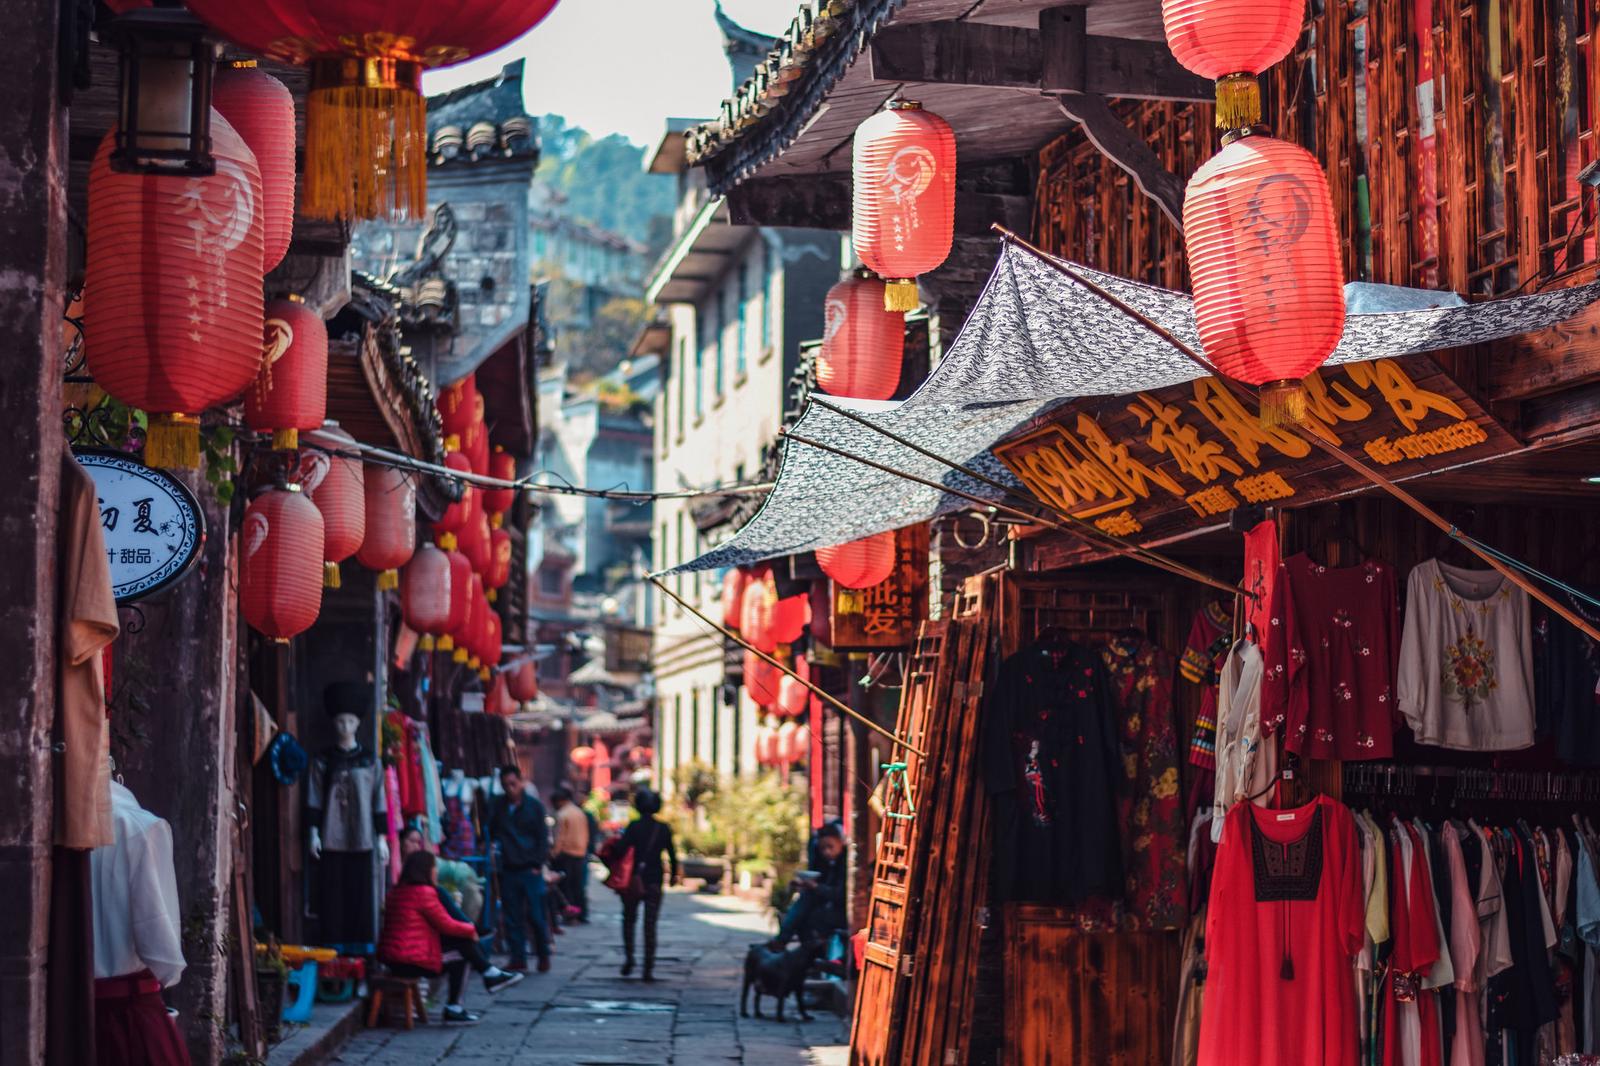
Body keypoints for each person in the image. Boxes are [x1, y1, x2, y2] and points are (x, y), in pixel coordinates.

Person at [378, 851, 520, 1025]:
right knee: (464, 953)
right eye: (434, 868)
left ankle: (489, 974)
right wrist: (470, 930)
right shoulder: (423, 893)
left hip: (393, 958)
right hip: (411, 961)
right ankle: (457, 1005)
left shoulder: (396, 892)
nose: (436, 872)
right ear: (425, 870)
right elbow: (445, 924)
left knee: (463, 944)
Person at [488, 765, 552, 973]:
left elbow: (543, 838)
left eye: (513, 784)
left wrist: (537, 864)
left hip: (530, 869)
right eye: (506, 785)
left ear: (521, 782)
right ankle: (518, 957)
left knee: (536, 915)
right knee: (512, 916)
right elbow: (491, 830)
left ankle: (543, 955)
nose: (510, 788)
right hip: (508, 868)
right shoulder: (498, 806)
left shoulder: (534, 806)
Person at [614, 788, 677, 981]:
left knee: (629, 920)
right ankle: (648, 967)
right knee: (650, 925)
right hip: (654, 881)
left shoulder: (633, 827)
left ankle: (630, 958)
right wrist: (673, 876)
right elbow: (673, 855)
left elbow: (620, 850)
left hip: (634, 880)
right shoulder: (664, 828)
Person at [770, 823, 848, 949]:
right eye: (823, 848)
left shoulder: (846, 863)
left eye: (830, 847)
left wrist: (816, 887)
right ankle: (789, 941)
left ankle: (784, 939)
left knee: (806, 911)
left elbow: (839, 894)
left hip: (840, 910)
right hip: (828, 906)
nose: (827, 852)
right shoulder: (827, 863)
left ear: (840, 842)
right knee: (806, 903)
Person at [550, 788, 591, 923]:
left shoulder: (563, 814)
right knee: (578, 886)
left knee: (566, 887)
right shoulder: (579, 812)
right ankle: (581, 914)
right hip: (580, 852)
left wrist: (554, 853)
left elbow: (560, 837)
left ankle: (570, 915)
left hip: (566, 854)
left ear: (559, 801)